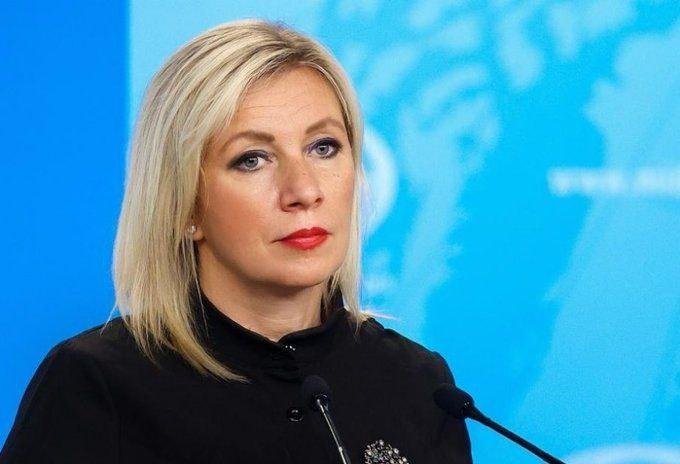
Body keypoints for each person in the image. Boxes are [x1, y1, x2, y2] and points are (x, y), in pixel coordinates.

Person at [0, 19, 472, 463]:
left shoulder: (419, 383)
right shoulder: (94, 385)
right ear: (185, 205)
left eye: (323, 147)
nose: (304, 190)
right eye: (252, 159)